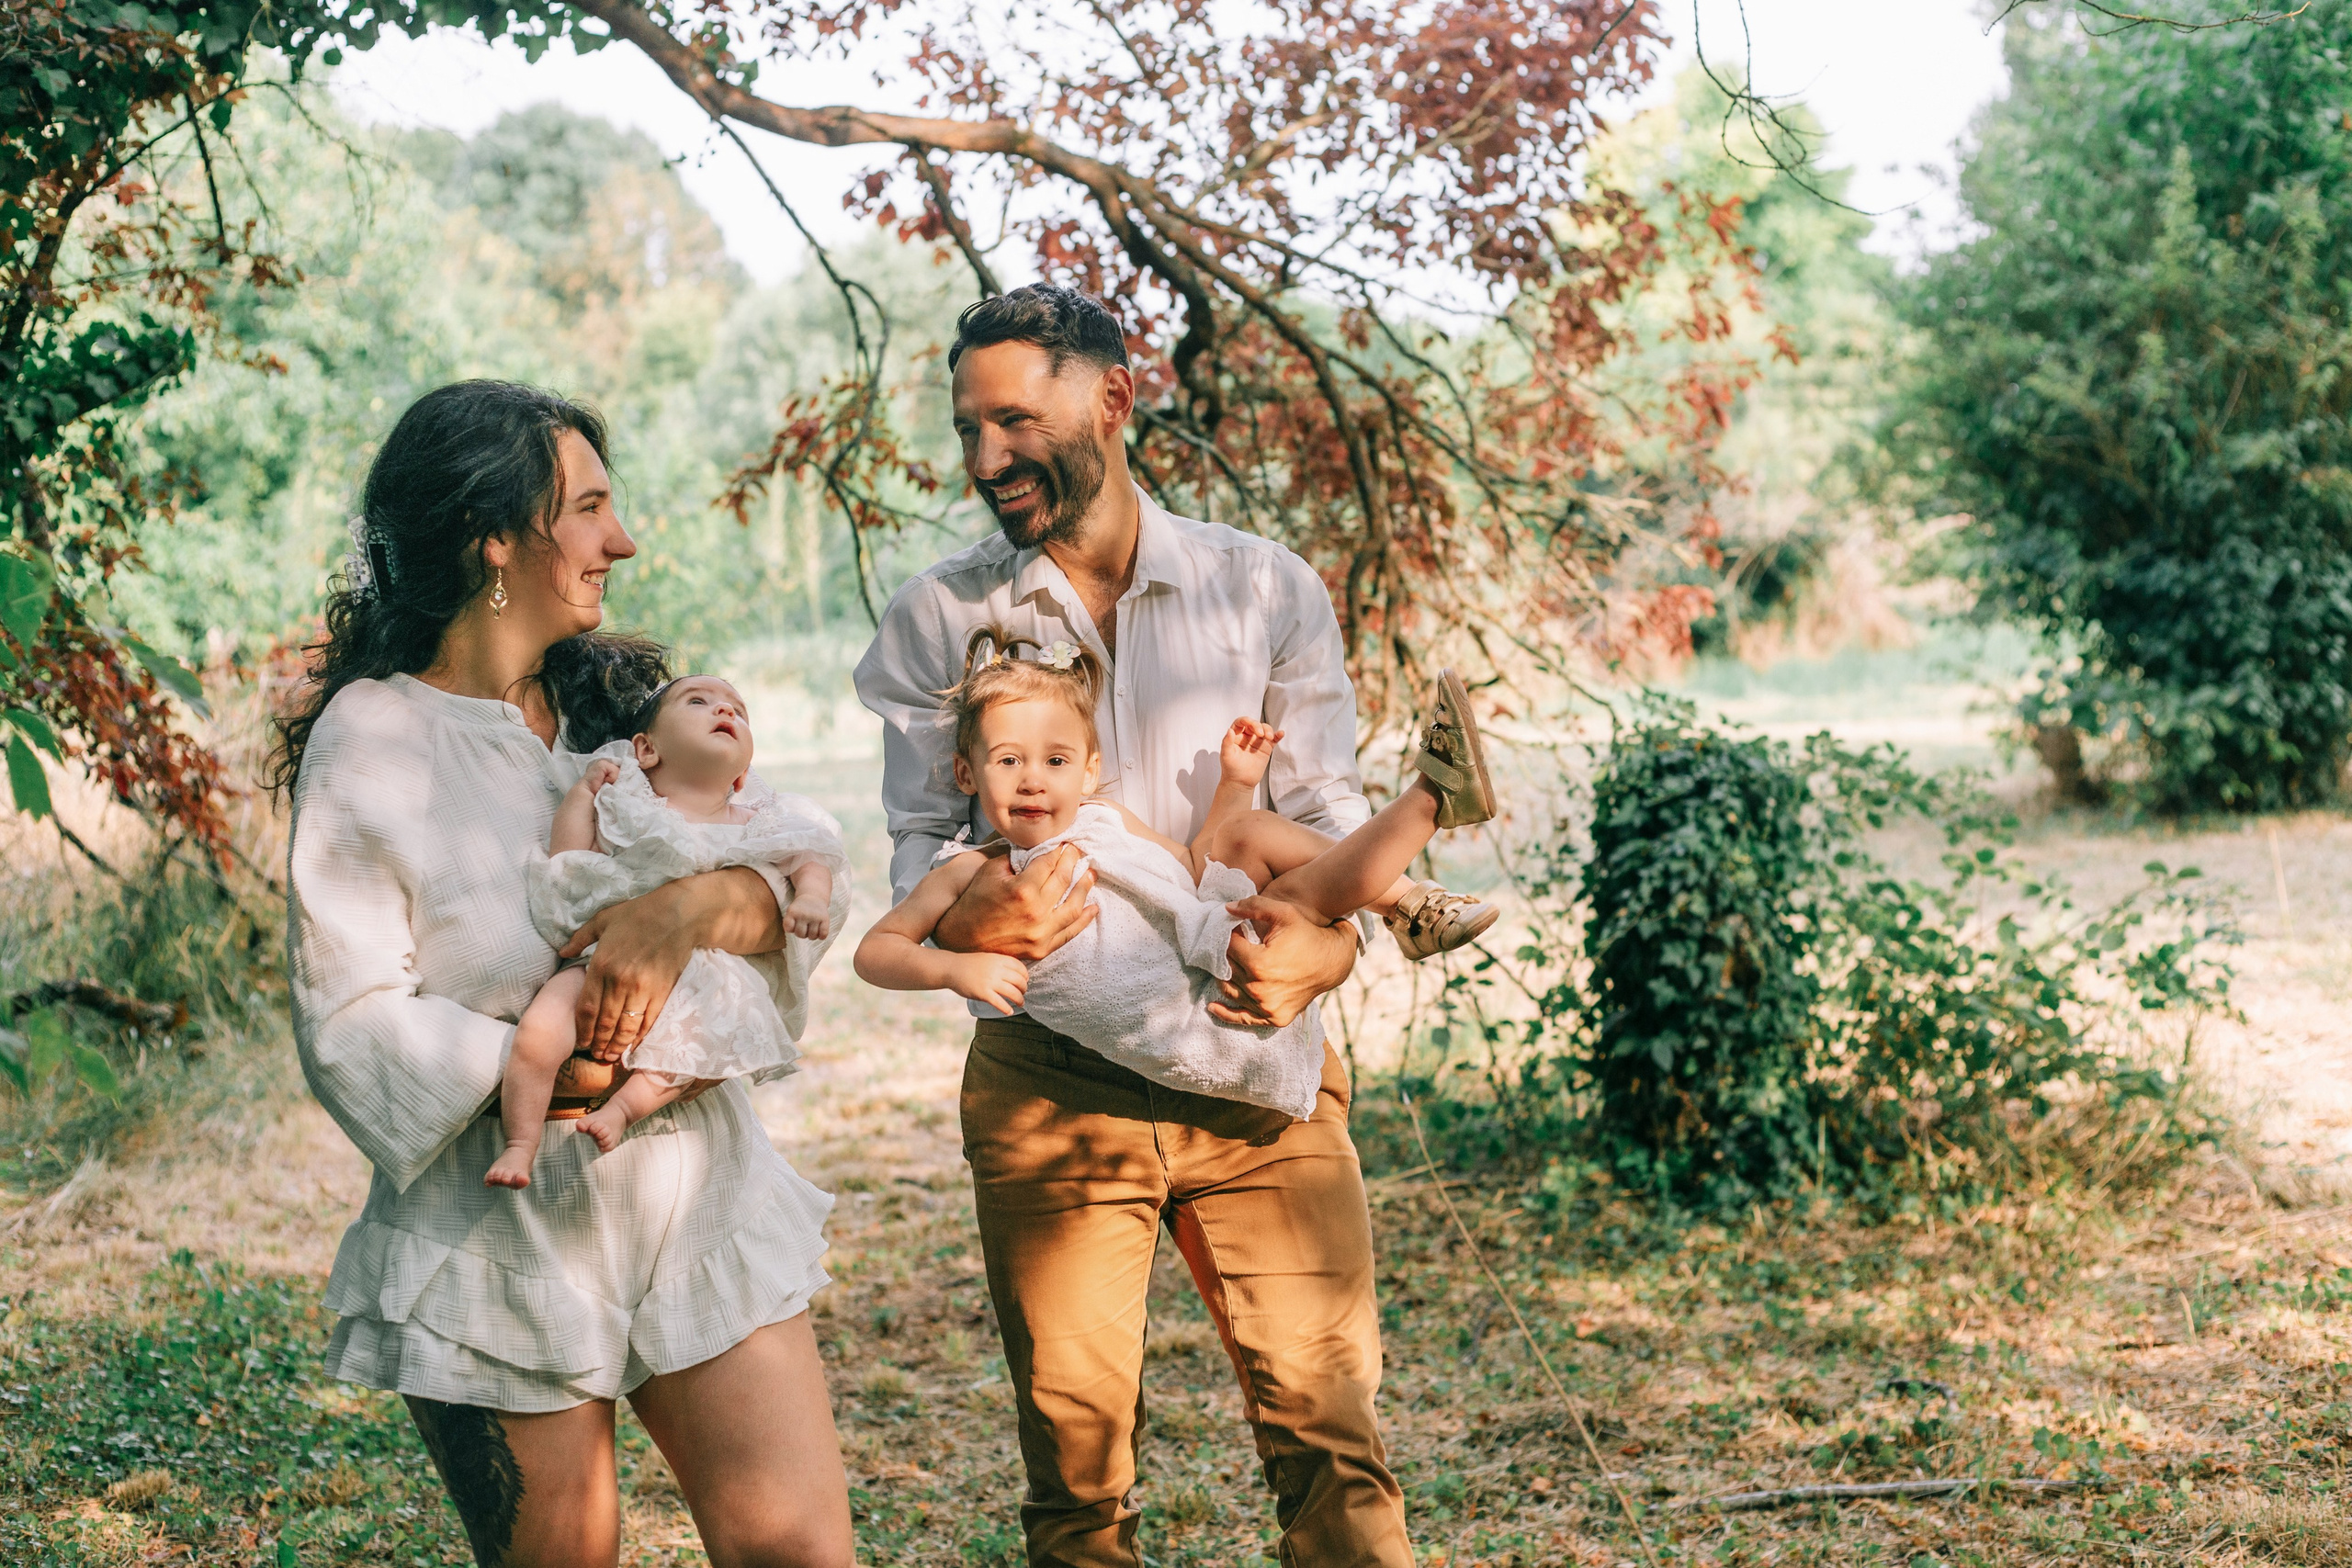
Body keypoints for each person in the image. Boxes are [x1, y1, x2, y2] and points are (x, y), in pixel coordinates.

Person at [854, 285, 1452, 1567]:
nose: (985, 459)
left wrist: (1327, 952)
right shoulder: (936, 618)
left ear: (1114, 400)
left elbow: (1323, 820)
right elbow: (916, 838)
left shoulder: (1262, 587)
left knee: (1334, 1441)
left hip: (1258, 1074)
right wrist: (982, 912)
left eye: (1014, 420)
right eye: (967, 429)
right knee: (1076, 1476)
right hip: (1053, 1085)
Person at [279, 380, 852, 1568]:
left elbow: (775, 881)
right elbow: (350, 1018)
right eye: (590, 507)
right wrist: (562, 1061)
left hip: (700, 1199)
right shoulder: (375, 738)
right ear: (497, 535)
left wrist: (690, 906)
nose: (623, 538)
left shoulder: (621, 715)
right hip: (506, 1229)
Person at [854, 625, 1497, 1121]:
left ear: (1086, 769)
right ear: (967, 774)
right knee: (1294, 882)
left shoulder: (1105, 817)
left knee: (1249, 835)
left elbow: (1191, 868)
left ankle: (1424, 839)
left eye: (1054, 759)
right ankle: (1425, 838)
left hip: (1211, 954)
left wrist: (1237, 784)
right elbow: (876, 951)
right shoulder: (968, 869)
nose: (1031, 778)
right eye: (1007, 760)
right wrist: (953, 967)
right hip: (1193, 1004)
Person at [485, 673, 848, 1188]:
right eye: (698, 701)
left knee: (696, 1053)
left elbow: (810, 858)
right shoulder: (625, 803)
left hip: (705, 972)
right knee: (541, 1029)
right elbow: (567, 861)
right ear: (646, 749)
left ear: (742, 775)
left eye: (737, 711)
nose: (724, 711)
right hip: (604, 956)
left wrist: (811, 896)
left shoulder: (756, 819)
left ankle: (623, 1111)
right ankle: (520, 1143)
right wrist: (582, 797)